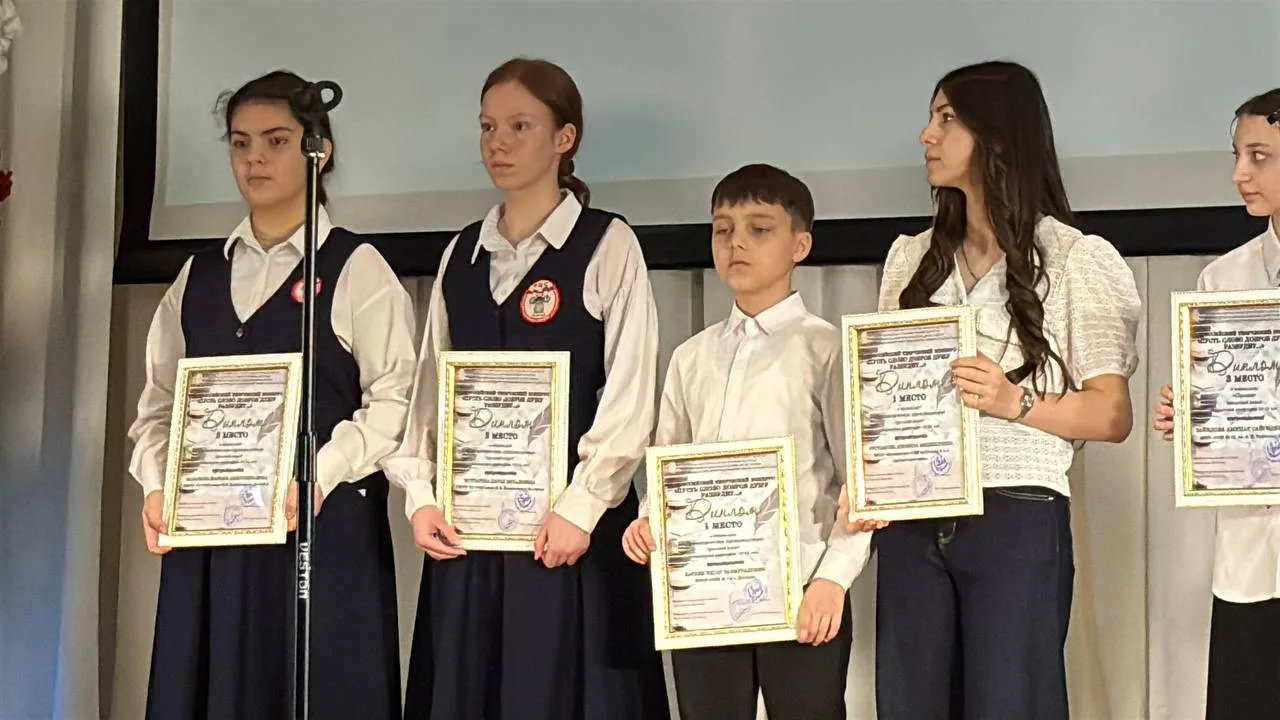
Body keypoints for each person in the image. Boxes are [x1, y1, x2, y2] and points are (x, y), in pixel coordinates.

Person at [842, 61, 1142, 719]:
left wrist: (1016, 401)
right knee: (911, 703)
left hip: (1016, 509)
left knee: (1011, 702)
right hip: (913, 518)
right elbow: (884, 397)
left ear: (998, 135)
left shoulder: (1075, 258)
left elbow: (1112, 413)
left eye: (947, 119)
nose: (926, 136)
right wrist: (868, 475)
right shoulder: (909, 258)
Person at [385, 57, 670, 720]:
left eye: (520, 126)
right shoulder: (461, 253)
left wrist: (583, 506)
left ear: (564, 138)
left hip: (570, 538)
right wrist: (421, 498)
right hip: (472, 536)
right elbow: (430, 393)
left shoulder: (607, 243)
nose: (498, 143)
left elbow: (631, 390)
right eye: (488, 127)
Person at [127, 70, 415, 720]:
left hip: (320, 530)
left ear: (320, 150)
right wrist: (157, 483)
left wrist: (321, 472)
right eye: (241, 143)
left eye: (276, 141)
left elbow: (396, 400)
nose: (254, 158)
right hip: (211, 542)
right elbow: (158, 406)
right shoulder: (199, 275)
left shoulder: (356, 267)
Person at [620, 163, 878, 720]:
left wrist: (833, 579)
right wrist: (649, 520)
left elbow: (860, 483)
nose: (736, 243)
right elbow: (669, 465)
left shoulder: (827, 350)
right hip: (704, 592)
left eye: (759, 229)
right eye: (723, 229)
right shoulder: (691, 357)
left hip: (802, 588)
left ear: (800, 245)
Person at [1152, 88, 1280, 720]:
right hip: (1251, 553)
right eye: (1236, 155)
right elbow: (1223, 404)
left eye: (1260, 156)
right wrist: (1197, 418)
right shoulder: (1223, 278)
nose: (1239, 174)